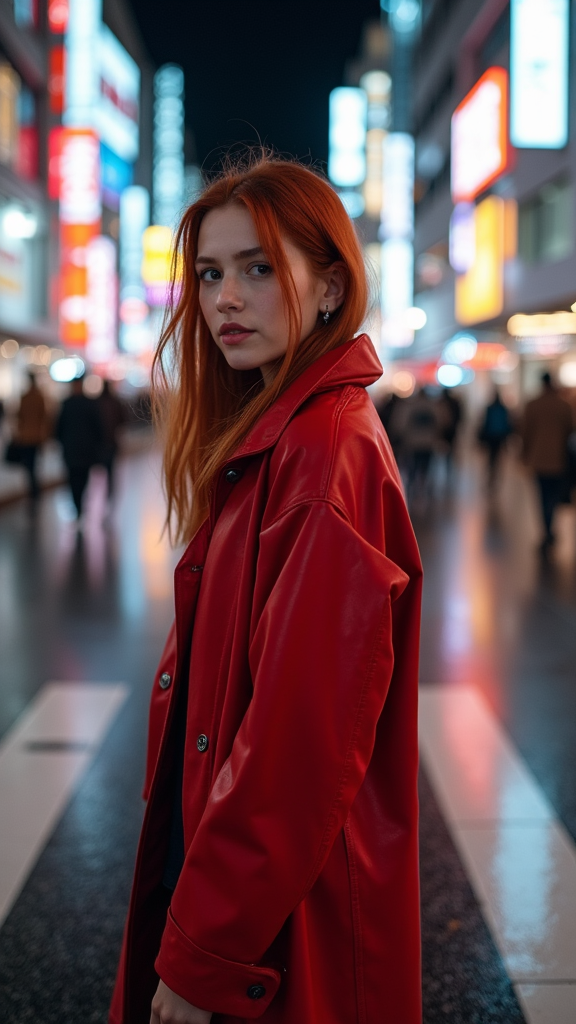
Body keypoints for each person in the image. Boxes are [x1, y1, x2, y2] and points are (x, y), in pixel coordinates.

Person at [109, 158, 423, 1024]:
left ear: (330, 286)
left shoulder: (323, 451)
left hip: (280, 926)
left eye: (257, 267)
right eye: (210, 273)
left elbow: (297, 743)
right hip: (263, 891)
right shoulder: (280, 431)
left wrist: (207, 951)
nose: (224, 300)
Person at [522, 371, 574, 549]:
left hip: (538, 458)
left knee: (542, 496)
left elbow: (525, 433)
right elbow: (570, 431)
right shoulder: (563, 405)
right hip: (559, 458)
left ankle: (547, 530)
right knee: (555, 495)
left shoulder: (533, 405)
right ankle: (550, 527)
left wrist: (524, 455)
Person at [56, 374, 103, 519]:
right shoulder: (88, 404)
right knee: (79, 478)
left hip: (73, 448)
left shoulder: (67, 404)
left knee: (75, 478)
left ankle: (78, 505)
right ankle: (78, 505)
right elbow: (98, 428)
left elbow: (58, 428)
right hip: (83, 449)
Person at [13, 372, 50, 500]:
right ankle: (35, 490)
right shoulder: (39, 397)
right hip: (36, 437)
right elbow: (44, 417)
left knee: (29, 466)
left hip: (26, 437)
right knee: (33, 465)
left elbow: (19, 417)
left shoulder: (25, 398)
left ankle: (33, 489)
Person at [97, 379, 127, 497]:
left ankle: (106, 489)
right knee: (110, 467)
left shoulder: (98, 402)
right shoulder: (115, 402)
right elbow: (122, 420)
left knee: (103, 466)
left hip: (101, 441)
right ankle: (110, 488)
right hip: (111, 440)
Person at [478, 390, 513, 491]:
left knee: (492, 457)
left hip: (492, 437)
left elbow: (485, 423)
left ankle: (491, 475)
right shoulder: (502, 409)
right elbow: (507, 424)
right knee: (496, 457)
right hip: (499, 437)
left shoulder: (491, 408)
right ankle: (493, 475)